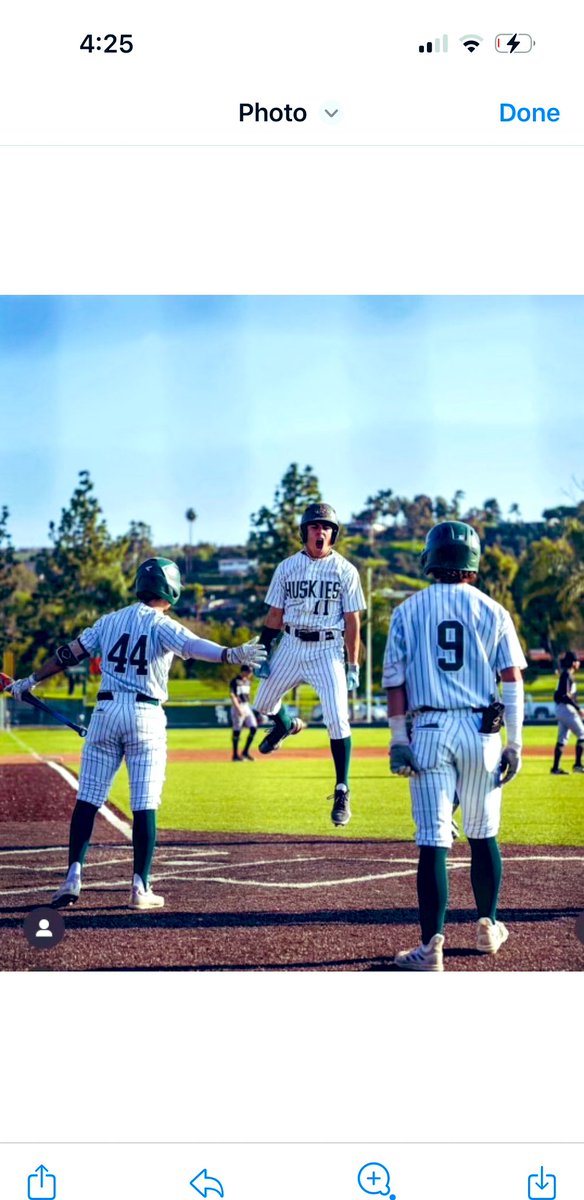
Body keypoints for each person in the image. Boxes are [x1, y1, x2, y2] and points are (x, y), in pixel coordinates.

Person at [9, 557, 266, 910]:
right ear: (171, 589)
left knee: (88, 800)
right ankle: (140, 887)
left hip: (104, 712)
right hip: (145, 715)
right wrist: (231, 654)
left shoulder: (109, 621)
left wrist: (30, 681)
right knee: (144, 804)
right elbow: (194, 645)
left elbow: (68, 654)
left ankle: (72, 878)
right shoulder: (162, 624)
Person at [383, 521, 527, 972]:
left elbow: (395, 683)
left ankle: (431, 949)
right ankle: (487, 925)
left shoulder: (407, 611)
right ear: (473, 563)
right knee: (484, 834)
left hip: (428, 730)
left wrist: (397, 739)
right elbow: (512, 681)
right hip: (481, 732)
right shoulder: (494, 610)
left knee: (432, 842)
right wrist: (516, 743)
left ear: (430, 558)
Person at [253, 502, 365, 826]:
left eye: (326, 527)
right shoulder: (287, 568)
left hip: (327, 648)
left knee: (337, 718)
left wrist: (352, 664)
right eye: (315, 527)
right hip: (290, 643)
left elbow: (352, 620)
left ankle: (342, 788)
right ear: (305, 533)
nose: (321, 532)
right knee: (262, 702)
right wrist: (263, 650)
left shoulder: (346, 571)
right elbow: (275, 615)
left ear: (334, 534)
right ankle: (285, 725)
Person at [551, 650, 584, 774]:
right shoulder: (566, 675)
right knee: (583, 734)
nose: (578, 663)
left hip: (561, 708)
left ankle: (555, 768)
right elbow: (565, 695)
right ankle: (578, 765)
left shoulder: (566, 674)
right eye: (577, 661)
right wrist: (578, 708)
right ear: (572, 662)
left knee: (562, 739)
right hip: (565, 708)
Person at [230, 664, 258, 760]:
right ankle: (235, 755)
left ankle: (245, 751)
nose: (250, 674)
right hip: (238, 706)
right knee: (237, 731)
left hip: (246, 706)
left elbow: (248, 694)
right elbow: (233, 695)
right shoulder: (235, 681)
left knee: (254, 728)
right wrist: (238, 708)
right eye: (249, 672)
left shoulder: (248, 682)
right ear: (244, 671)